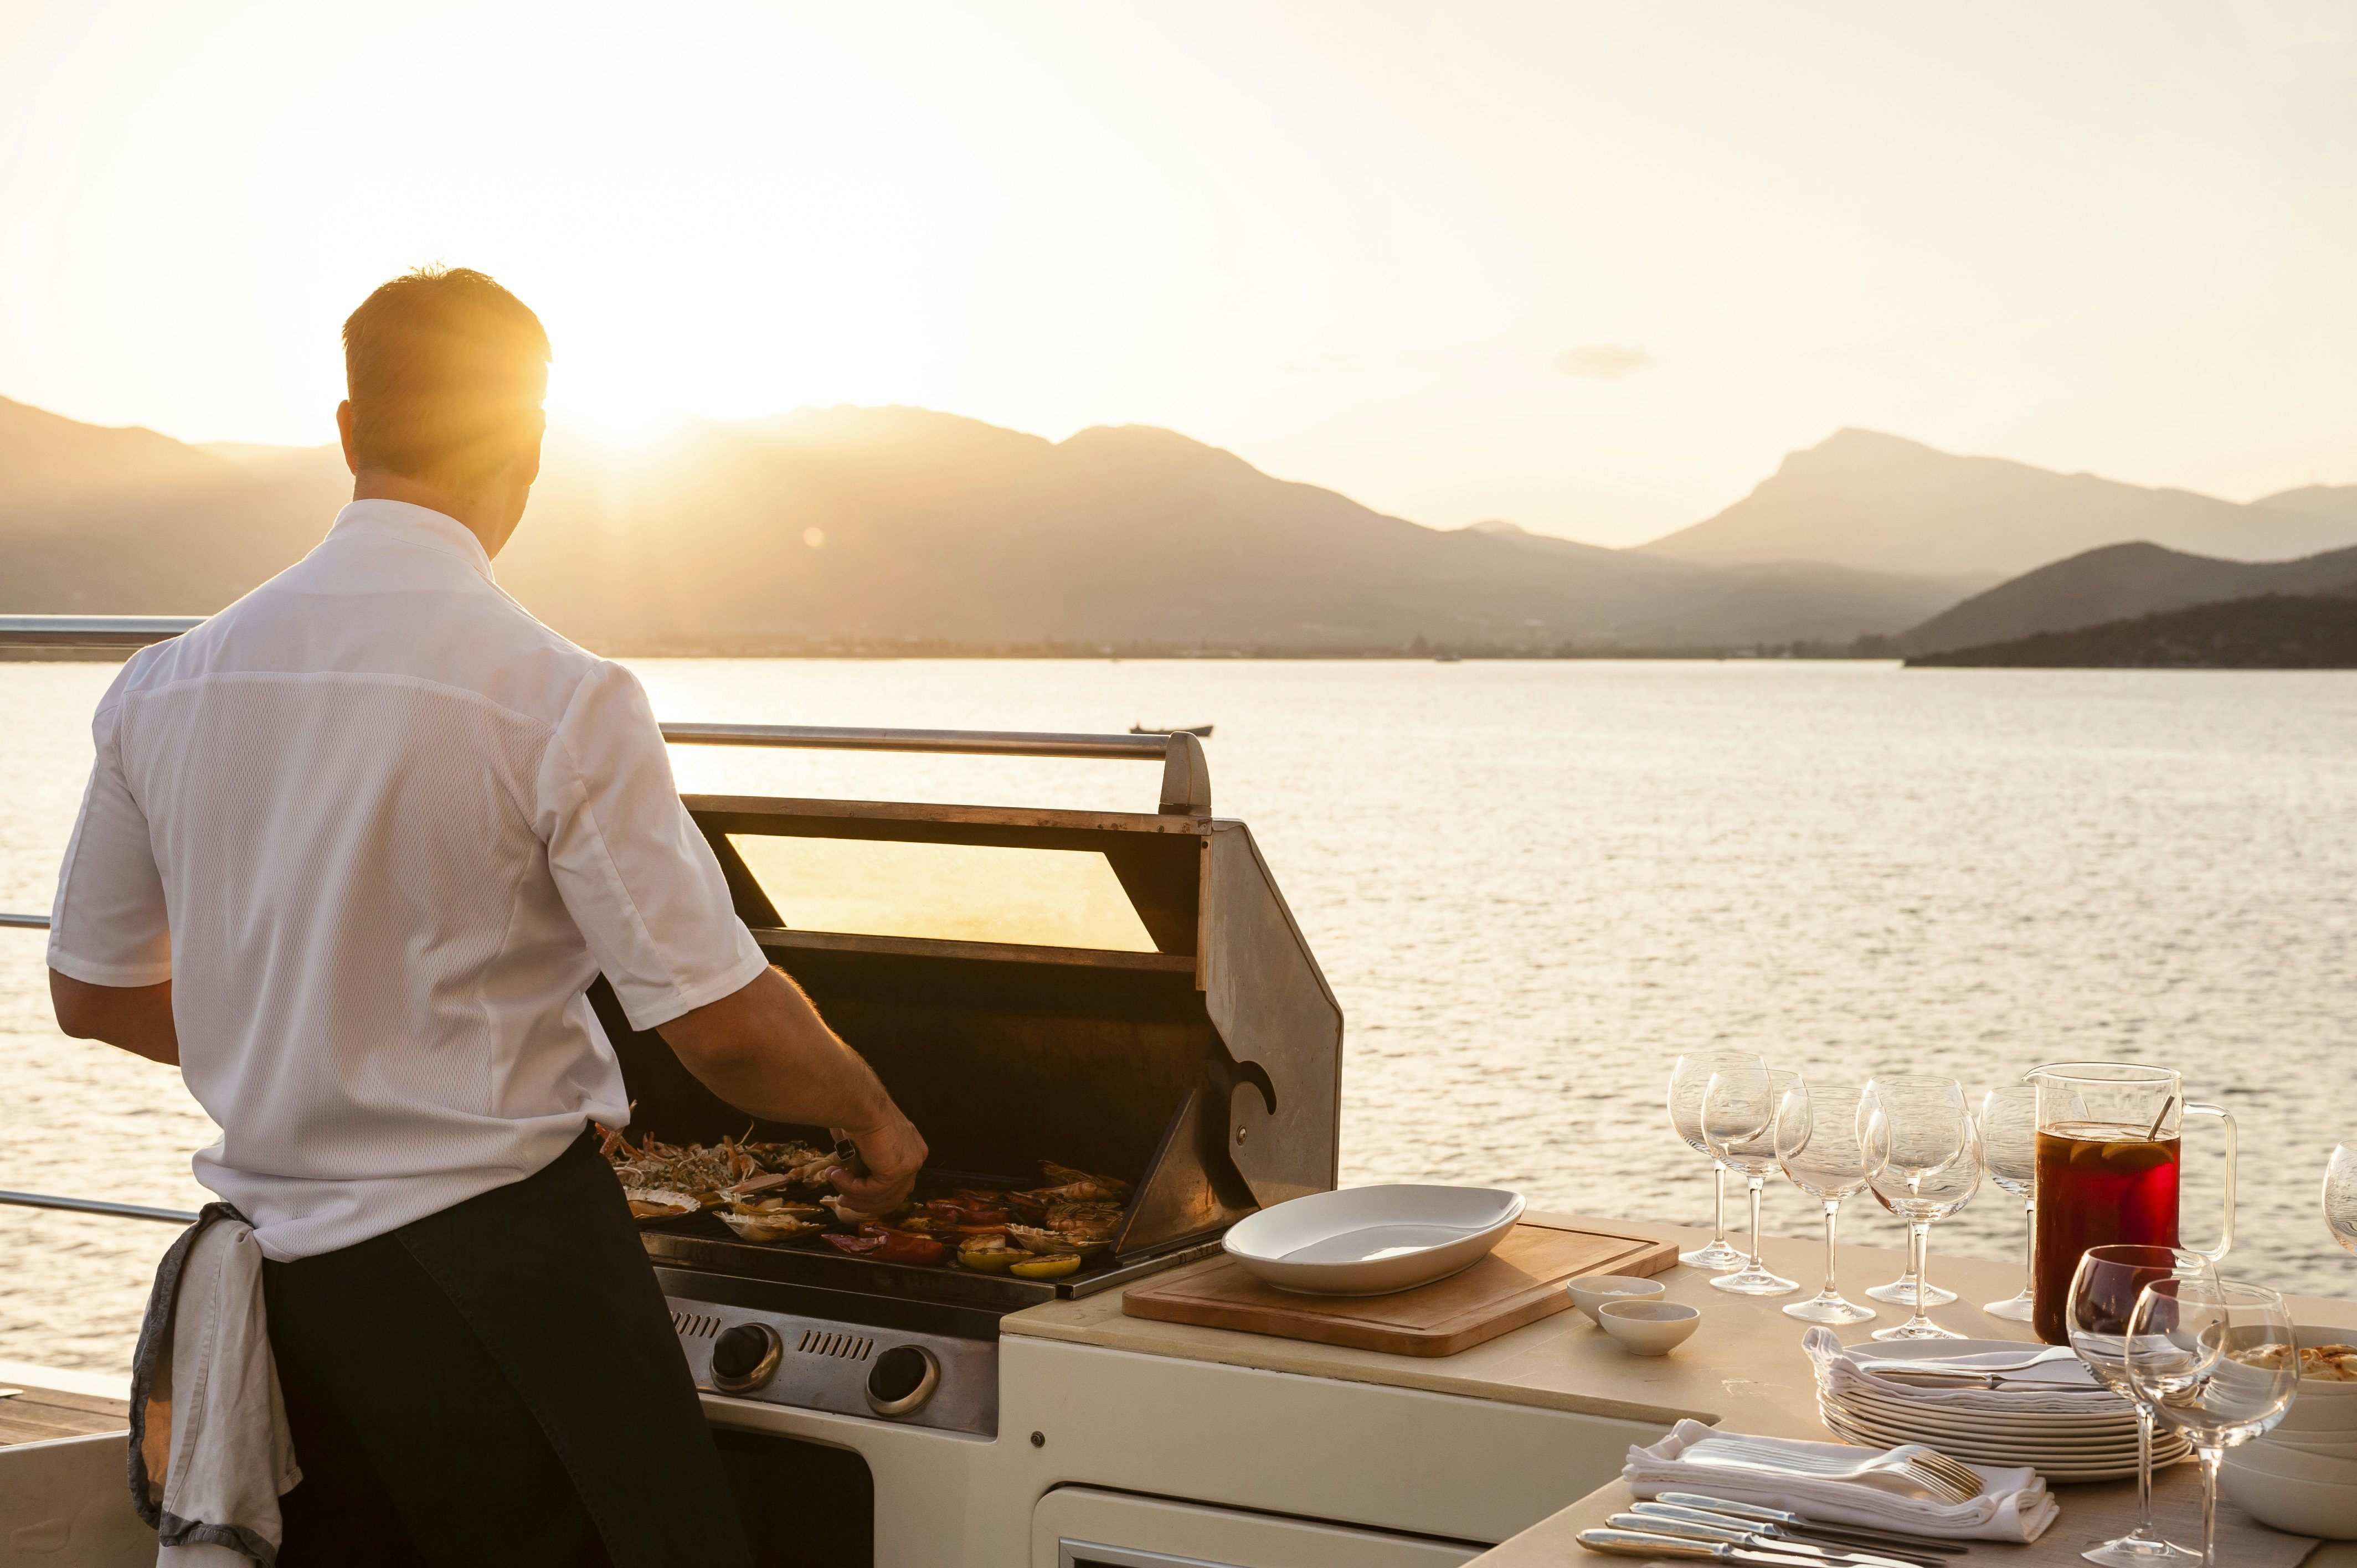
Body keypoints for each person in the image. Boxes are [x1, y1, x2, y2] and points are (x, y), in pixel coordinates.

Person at [44, 265, 927, 1566]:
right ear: (530, 446)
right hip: (502, 1278)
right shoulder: (556, 696)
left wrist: (308, 1035)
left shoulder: (163, 684)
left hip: (283, 1286)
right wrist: (871, 1117)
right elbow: (722, 1033)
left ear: (348, 433)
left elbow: (95, 991)